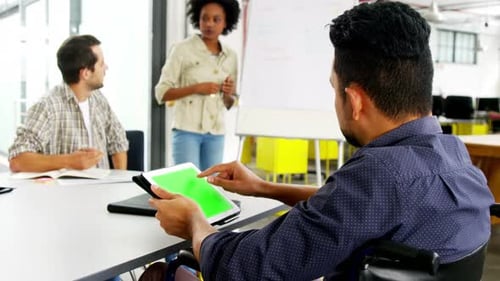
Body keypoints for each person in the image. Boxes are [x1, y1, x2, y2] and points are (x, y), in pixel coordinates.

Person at [143, 1, 494, 280]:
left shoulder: (377, 175)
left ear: (355, 101)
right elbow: (356, 209)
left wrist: (194, 223)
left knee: (165, 274)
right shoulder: (455, 160)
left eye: (333, 88)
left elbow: (248, 267)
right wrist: (267, 188)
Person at [8, 35, 128, 173]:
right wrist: (69, 161)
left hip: (104, 190)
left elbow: (118, 141)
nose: (106, 68)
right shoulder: (47, 107)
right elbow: (17, 160)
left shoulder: (98, 99)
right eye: (101, 64)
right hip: (65, 192)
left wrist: (120, 179)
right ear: (86, 73)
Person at [154, 0, 240, 171]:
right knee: (187, 184)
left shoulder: (231, 56)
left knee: (211, 185)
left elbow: (230, 103)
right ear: (197, 19)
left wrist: (228, 94)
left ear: (226, 22)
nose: (209, 24)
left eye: (216, 19)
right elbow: (161, 93)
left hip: (216, 133)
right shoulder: (181, 49)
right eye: (204, 18)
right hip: (186, 130)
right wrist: (196, 88)